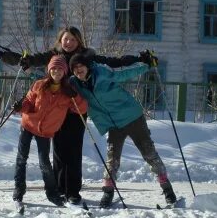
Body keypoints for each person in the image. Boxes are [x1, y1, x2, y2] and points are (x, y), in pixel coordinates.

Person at [0, 26, 141, 205]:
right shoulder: (54, 55)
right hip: (56, 111)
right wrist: (1, 55)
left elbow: (113, 62)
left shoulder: (85, 56)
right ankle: (60, 189)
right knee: (59, 151)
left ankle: (73, 191)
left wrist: (139, 59)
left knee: (73, 151)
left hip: (76, 108)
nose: (68, 43)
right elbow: (28, 60)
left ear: (79, 42)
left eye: (73, 40)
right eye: (66, 39)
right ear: (60, 40)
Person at [68, 51, 178, 208]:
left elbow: (125, 73)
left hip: (132, 117)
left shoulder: (102, 73)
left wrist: (146, 66)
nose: (79, 70)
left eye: (81, 66)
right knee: (112, 159)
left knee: (149, 153)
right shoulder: (74, 83)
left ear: (87, 66)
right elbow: (52, 80)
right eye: (75, 68)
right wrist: (30, 72)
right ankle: (108, 191)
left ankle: (167, 188)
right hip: (113, 124)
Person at [11, 55, 88, 206]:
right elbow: (28, 102)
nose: (57, 71)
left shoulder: (67, 92)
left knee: (44, 163)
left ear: (64, 72)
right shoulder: (39, 85)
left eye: (60, 69)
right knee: (21, 159)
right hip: (28, 125)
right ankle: (19, 189)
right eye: (54, 68)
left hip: (45, 132)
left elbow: (82, 108)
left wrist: (76, 97)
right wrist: (20, 107)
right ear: (49, 70)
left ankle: (52, 193)